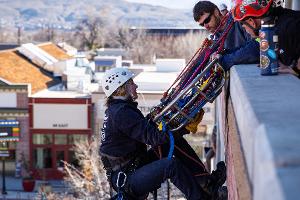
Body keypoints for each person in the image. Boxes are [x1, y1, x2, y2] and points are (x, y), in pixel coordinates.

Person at [99, 67, 226, 200]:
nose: (135, 86)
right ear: (121, 88)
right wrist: (183, 129)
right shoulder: (121, 113)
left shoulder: (120, 109)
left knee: (173, 143)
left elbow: (143, 130)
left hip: (135, 166)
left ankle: (207, 183)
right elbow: (153, 137)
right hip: (129, 178)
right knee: (171, 165)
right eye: (131, 83)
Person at [232, 0, 300, 77]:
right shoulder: (282, 21)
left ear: (251, 21)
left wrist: (295, 69)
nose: (243, 27)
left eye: (242, 24)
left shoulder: (287, 28)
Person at [193, 1, 260, 71]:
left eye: (207, 20)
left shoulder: (239, 19)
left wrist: (224, 60)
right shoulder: (216, 39)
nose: (206, 26)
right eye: (202, 25)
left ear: (216, 12)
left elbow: (256, 47)